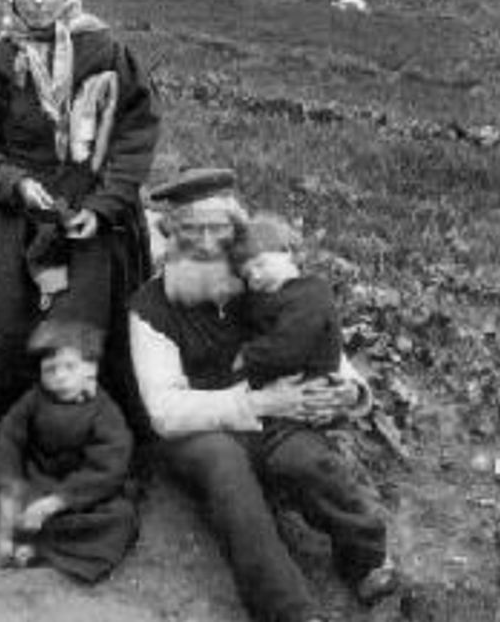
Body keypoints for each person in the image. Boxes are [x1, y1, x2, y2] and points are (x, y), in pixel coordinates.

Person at [131, 167, 398, 622]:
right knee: (225, 464)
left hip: (277, 422)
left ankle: (366, 562)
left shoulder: (259, 282)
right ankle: (290, 610)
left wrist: (348, 392)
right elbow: (164, 411)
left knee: (304, 460)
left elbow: (314, 333)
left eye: (221, 231)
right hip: (199, 431)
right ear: (172, 237)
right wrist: (255, 403)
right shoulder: (151, 307)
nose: (211, 244)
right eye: (194, 231)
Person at [0, 0, 159, 429]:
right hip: (20, 201)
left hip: (92, 203)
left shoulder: (108, 52)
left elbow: (135, 135)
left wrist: (105, 205)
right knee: (1, 302)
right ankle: (7, 420)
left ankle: (91, 422)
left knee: (90, 302)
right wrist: (11, 183)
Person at [0, 320, 139, 582]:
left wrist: (55, 502)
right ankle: (6, 529)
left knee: (119, 518)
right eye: (51, 369)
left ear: (90, 369)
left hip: (75, 494)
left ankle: (35, 546)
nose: (60, 376)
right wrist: (8, 488)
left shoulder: (105, 412)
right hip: (30, 480)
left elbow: (108, 468)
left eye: (70, 367)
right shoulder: (33, 399)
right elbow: (8, 439)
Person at [234, 214, 345, 388]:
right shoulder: (258, 298)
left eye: (260, 264)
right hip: (269, 390)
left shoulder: (311, 292)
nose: (255, 276)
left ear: (286, 252)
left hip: (309, 390)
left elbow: (287, 349)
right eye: (247, 275)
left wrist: (240, 358)